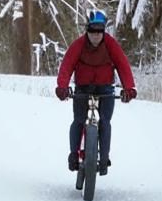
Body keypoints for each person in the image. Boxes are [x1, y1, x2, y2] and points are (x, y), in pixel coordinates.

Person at [55, 10, 136, 175]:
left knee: (105, 122)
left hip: (105, 87)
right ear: (87, 30)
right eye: (92, 31)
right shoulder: (78, 45)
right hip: (83, 87)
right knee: (78, 120)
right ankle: (73, 154)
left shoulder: (111, 44)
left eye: (100, 31)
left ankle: (104, 157)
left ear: (104, 30)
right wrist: (62, 87)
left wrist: (129, 88)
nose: (96, 35)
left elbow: (122, 65)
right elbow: (67, 65)